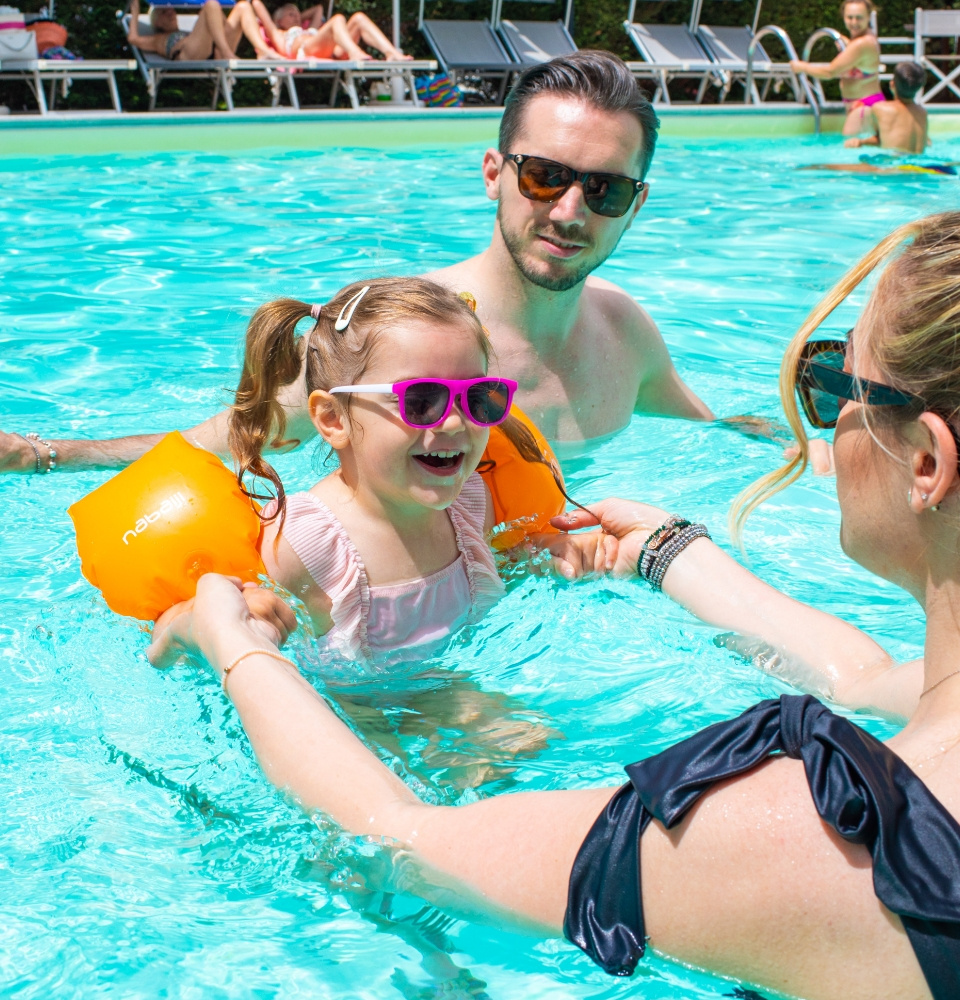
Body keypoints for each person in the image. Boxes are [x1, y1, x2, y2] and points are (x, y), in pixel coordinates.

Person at [150, 212, 960, 1000]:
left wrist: (234, 649)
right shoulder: (313, 534)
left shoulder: (818, 839)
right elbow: (864, 677)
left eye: (828, 387)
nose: (461, 424)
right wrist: (662, 549)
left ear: (925, 461)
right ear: (331, 419)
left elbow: (402, 838)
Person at [0, 53, 734, 478]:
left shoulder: (622, 329)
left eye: (604, 189)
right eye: (545, 175)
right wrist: (46, 454)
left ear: (637, 204)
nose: (571, 212)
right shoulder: (396, 331)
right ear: (493, 173)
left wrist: (825, 447)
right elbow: (227, 438)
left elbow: (718, 430)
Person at [227, 276, 612, 665]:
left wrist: (548, 553)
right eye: (422, 400)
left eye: (478, 397)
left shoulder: (471, 503)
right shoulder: (299, 545)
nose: (453, 423)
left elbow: (511, 563)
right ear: (333, 418)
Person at [791, 0, 884, 141]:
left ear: (868, 17)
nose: (854, 22)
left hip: (863, 107)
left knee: (849, 156)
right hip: (864, 105)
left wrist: (801, 67)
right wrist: (847, 43)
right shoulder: (862, 40)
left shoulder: (861, 43)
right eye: (849, 17)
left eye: (859, 17)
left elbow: (830, 72)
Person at [246, 0, 411, 62]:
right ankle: (354, 52)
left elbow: (318, 9)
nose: (296, 16)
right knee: (338, 19)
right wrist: (281, 22)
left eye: (297, 13)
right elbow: (256, 4)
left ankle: (391, 52)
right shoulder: (278, 34)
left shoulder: (309, 29)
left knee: (359, 17)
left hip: (329, 47)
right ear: (279, 20)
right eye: (291, 14)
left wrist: (297, 18)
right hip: (307, 49)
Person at [845, 61, 929, 154]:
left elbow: (881, 140)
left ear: (892, 84)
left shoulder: (880, 108)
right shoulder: (922, 112)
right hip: (920, 166)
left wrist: (861, 141)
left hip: (896, 164)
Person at [126, 0, 250, 62]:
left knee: (243, 7)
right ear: (157, 22)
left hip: (211, 50)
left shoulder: (190, 32)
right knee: (210, 5)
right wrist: (135, 7)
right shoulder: (157, 39)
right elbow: (133, 38)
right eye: (164, 12)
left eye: (171, 10)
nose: (171, 12)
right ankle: (227, 54)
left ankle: (263, 52)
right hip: (186, 54)